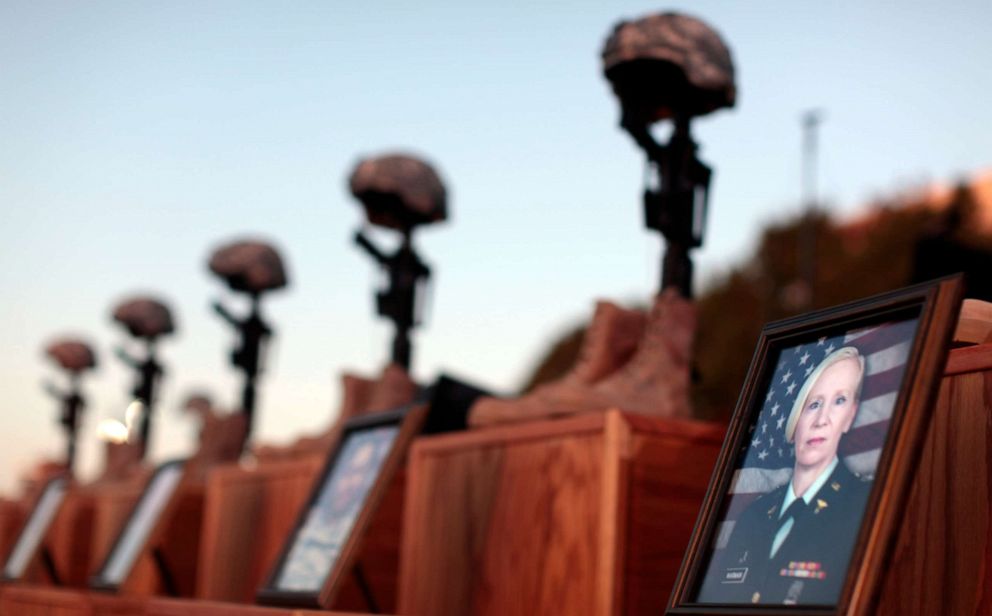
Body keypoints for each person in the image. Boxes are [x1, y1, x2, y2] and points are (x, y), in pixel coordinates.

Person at [702, 346, 872, 605]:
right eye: (813, 404)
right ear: (795, 419)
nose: (821, 419)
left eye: (839, 401)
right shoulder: (754, 516)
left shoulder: (864, 505)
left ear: (850, 415)